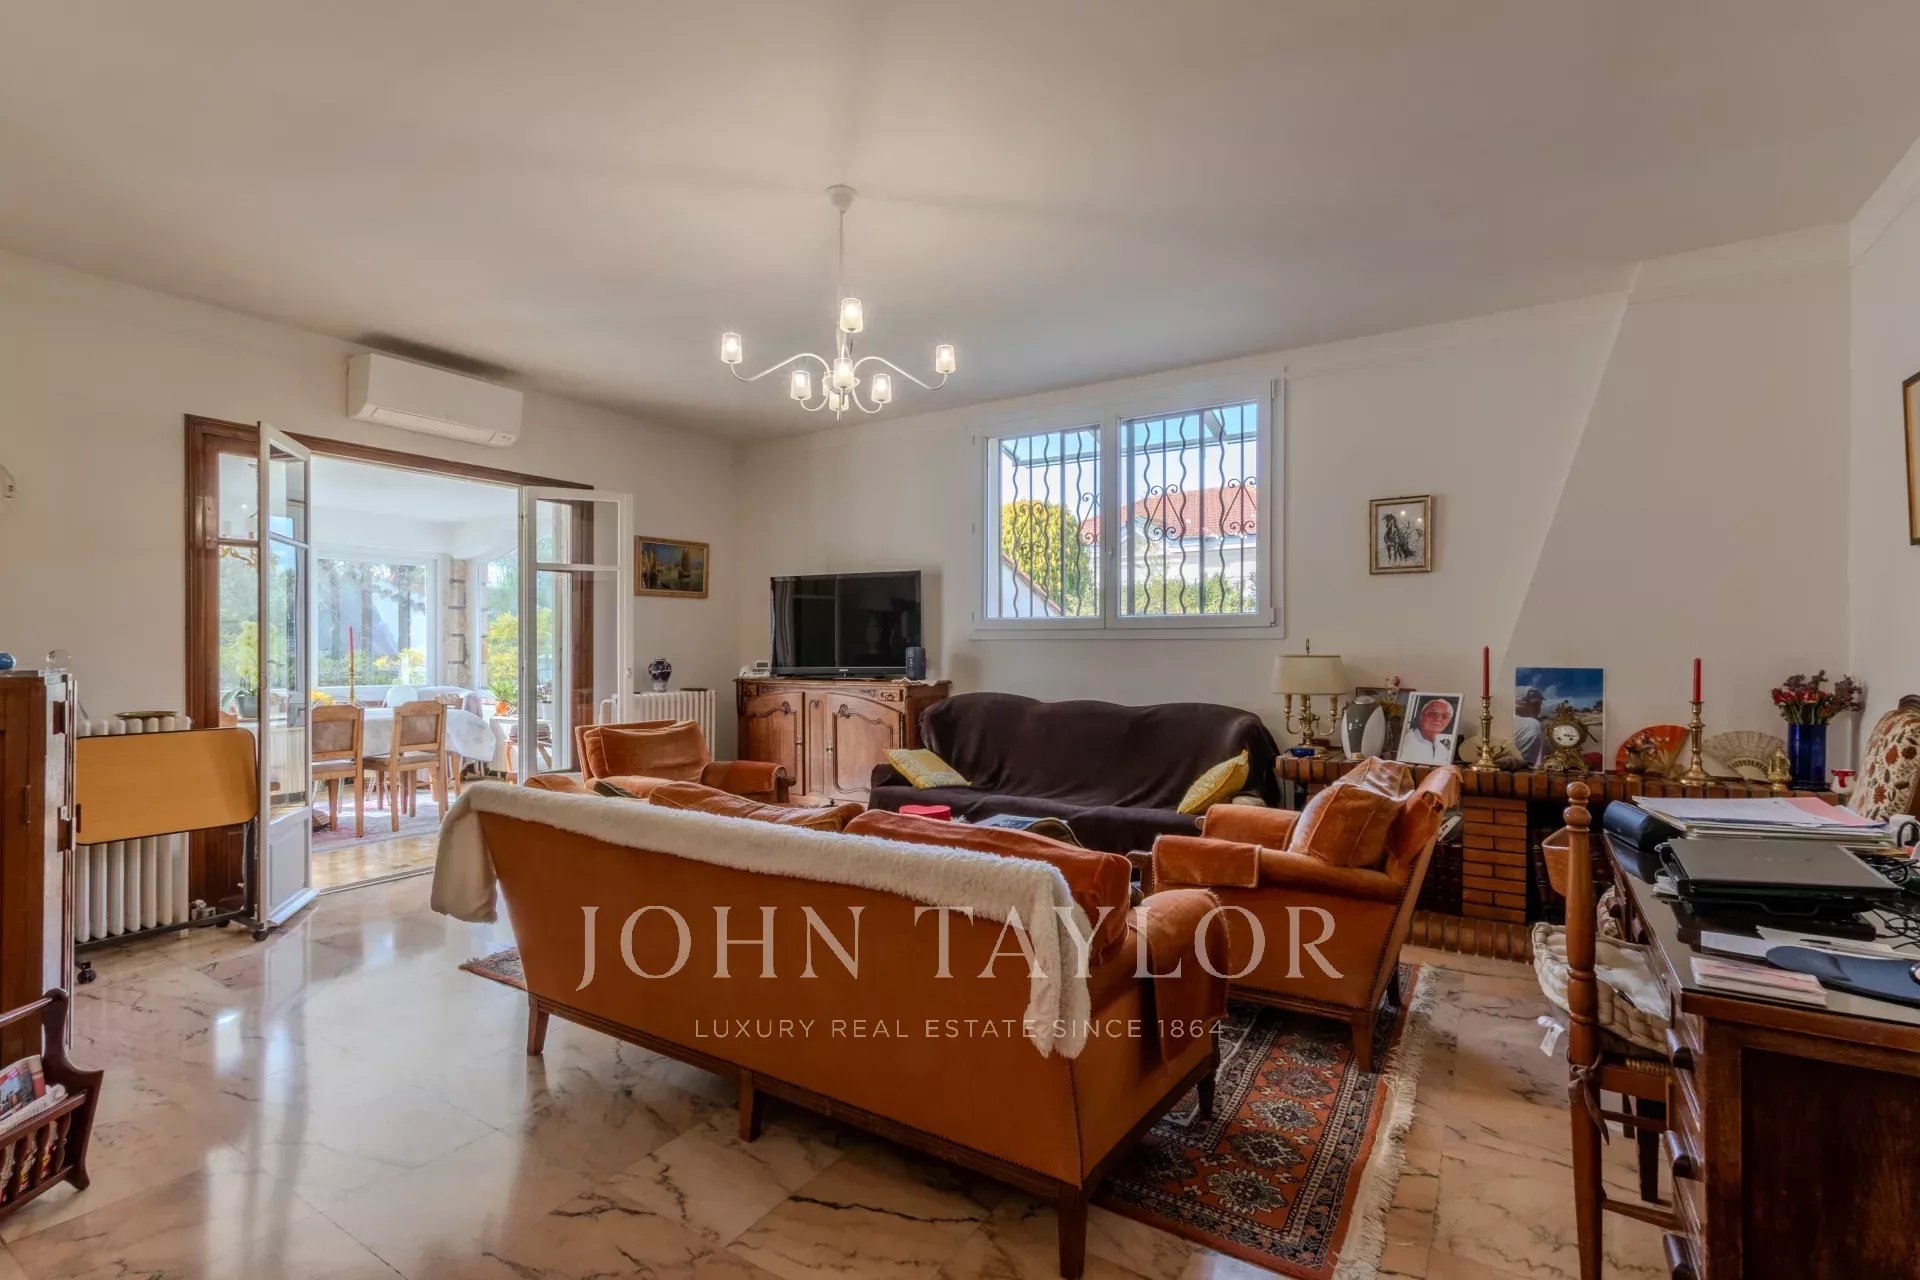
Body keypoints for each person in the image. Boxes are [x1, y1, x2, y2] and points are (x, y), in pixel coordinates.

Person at [1398, 696, 1459, 766]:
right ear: (1421, 715)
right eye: (1432, 713)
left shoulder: (1443, 750)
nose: (1438, 718)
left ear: (1449, 721)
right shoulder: (1405, 742)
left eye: (1445, 716)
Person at [1513, 687, 1547, 767]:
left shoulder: (1500, 719)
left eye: (1539, 704)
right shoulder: (1533, 724)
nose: (1538, 708)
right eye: (1534, 704)